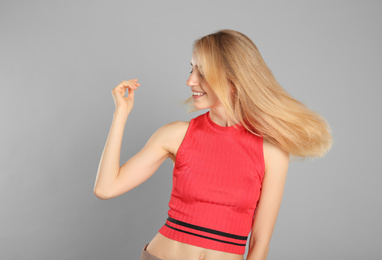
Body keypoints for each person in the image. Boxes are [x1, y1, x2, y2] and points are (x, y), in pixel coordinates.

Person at [93, 29, 332, 260]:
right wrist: (120, 114)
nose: (189, 81)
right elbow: (106, 188)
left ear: (234, 79)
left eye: (202, 72)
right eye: (191, 69)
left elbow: (260, 242)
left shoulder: (271, 151)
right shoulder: (175, 135)